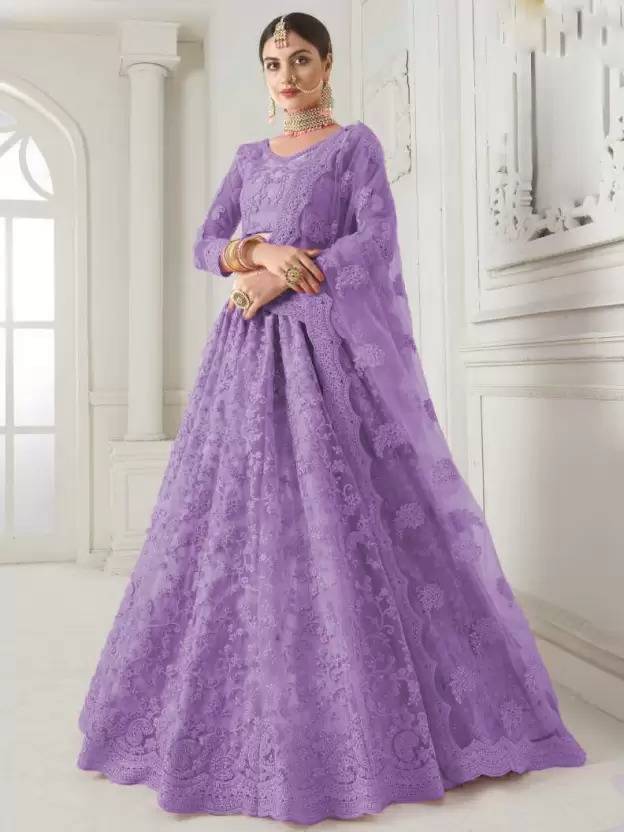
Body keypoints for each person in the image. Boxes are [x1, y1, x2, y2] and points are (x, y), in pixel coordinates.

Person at [76, 12, 587, 826]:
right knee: (240, 524)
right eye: (273, 62)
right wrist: (256, 255)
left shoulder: (355, 148)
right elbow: (207, 242)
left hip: (327, 359)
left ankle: (378, 723)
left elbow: (374, 242)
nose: (287, 76)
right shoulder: (249, 160)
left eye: (301, 59)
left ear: (327, 65)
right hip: (245, 359)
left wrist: (284, 276)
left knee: (344, 521)